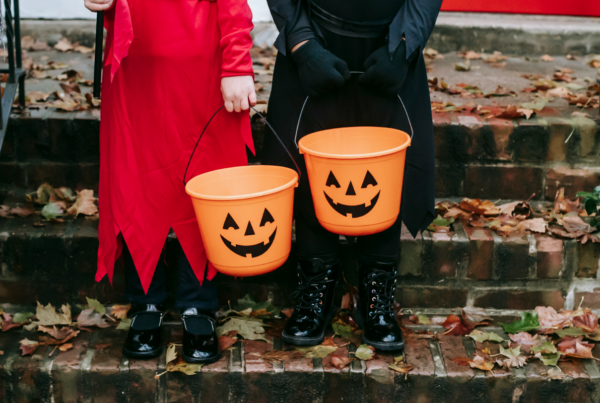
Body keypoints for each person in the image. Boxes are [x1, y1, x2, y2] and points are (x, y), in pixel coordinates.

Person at [263, 0, 442, 350]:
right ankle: (317, 291)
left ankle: (376, 300)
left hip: (389, 47)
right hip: (315, 39)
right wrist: (301, 42)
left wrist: (403, 45)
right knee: (307, 161)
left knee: (385, 166)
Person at [85, 0, 256, 362]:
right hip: (135, 69)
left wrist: (237, 64)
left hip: (201, 67)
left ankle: (199, 304)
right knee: (136, 180)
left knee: (204, 178)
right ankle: (145, 299)